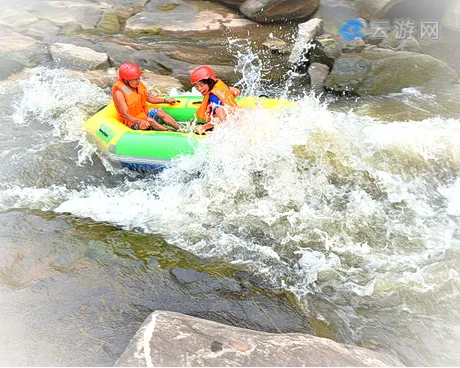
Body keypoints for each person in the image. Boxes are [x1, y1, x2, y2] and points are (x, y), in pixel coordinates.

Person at [112, 62, 181, 131]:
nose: (138, 81)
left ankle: (181, 128)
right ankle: (170, 132)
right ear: (126, 80)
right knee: (150, 120)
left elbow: (149, 98)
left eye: (138, 78)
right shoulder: (119, 94)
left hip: (142, 114)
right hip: (132, 122)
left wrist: (166, 101)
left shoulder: (137, 85)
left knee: (159, 111)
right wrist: (140, 121)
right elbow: (125, 115)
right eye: (135, 79)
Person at [190, 66, 241, 135]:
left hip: (228, 128)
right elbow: (236, 91)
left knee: (193, 126)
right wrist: (224, 101)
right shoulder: (220, 87)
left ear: (210, 82)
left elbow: (222, 120)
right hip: (236, 119)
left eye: (202, 85)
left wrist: (204, 127)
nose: (199, 88)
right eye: (196, 86)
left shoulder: (214, 98)